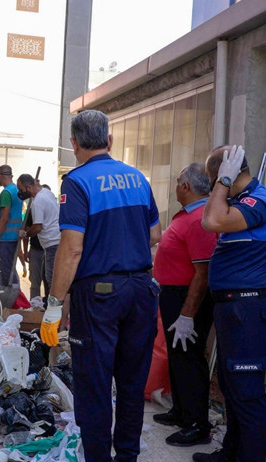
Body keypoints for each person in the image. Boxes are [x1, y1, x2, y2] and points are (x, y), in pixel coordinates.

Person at [43, 110, 162, 462]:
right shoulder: (137, 178)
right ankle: (127, 457)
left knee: (94, 386)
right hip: (142, 290)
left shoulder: (77, 182)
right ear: (109, 141)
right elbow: (155, 234)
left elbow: (71, 248)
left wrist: (53, 305)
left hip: (99, 297)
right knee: (130, 384)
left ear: (74, 144)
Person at [193, 145, 266, 462]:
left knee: (246, 393)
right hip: (235, 310)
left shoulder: (257, 203)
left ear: (226, 174)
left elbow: (211, 220)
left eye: (213, 179)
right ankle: (231, 453)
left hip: (248, 310)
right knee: (232, 388)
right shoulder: (242, 203)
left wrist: (223, 180)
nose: (212, 187)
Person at [151, 163, 218, 447]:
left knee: (189, 358)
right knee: (178, 357)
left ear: (187, 187)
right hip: (172, 295)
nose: (176, 186)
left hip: (187, 298)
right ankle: (181, 411)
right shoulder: (187, 214)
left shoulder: (201, 218)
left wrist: (188, 313)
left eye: (178, 182)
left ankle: (197, 424)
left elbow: (202, 273)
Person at [17, 174, 60, 300]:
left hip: (52, 243)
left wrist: (25, 234)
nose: (20, 193)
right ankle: (48, 304)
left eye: (21, 189)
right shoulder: (46, 192)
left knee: (51, 278)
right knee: (47, 277)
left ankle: (55, 309)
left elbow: (37, 227)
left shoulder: (38, 202)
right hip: (55, 241)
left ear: (29, 187)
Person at [0, 165, 23, 287]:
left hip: (6, 239)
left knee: (7, 272)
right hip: (15, 239)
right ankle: (13, 294)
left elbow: (4, 219)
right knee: (10, 269)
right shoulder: (17, 191)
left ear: (0, 175)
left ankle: (12, 298)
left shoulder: (6, 193)